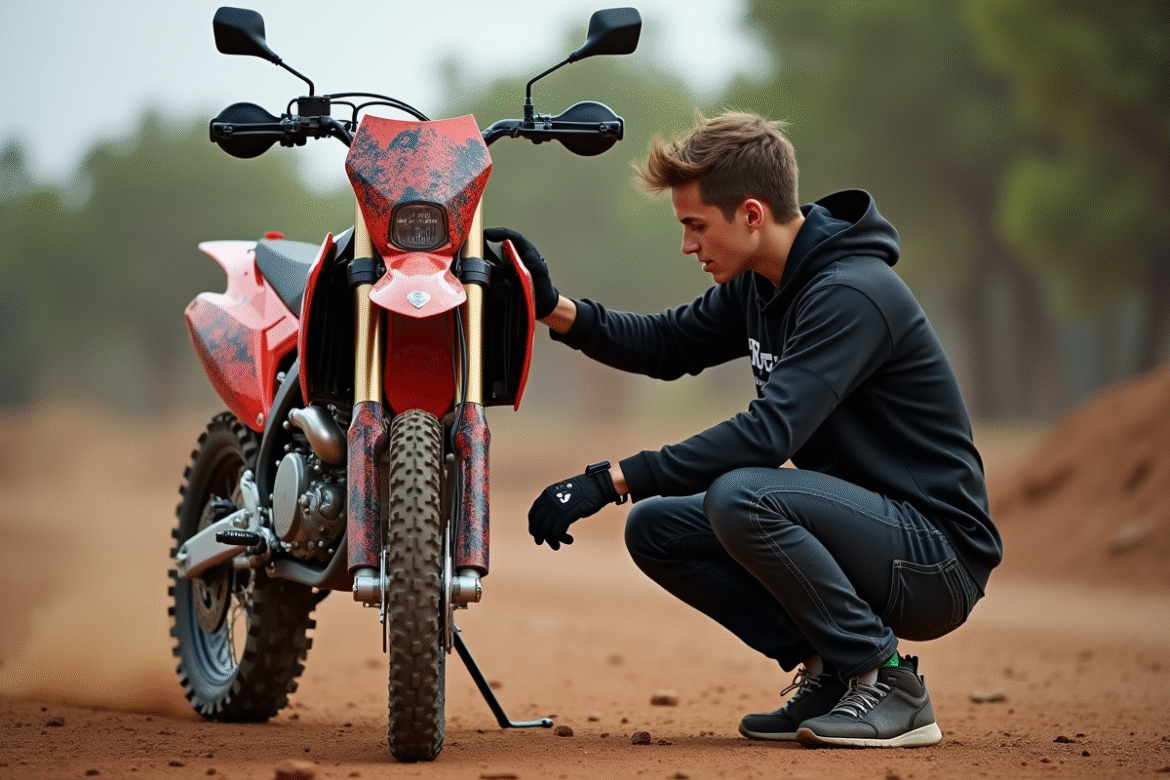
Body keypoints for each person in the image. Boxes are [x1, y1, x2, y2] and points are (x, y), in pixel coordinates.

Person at [483, 111, 1001, 749]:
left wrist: (614, 478)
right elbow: (668, 344)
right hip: (863, 534)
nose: (687, 245)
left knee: (743, 494)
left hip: (934, 558)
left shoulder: (850, 294)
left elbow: (768, 435)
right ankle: (832, 673)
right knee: (659, 528)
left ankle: (888, 681)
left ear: (751, 214)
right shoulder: (761, 284)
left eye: (696, 226)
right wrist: (551, 307)